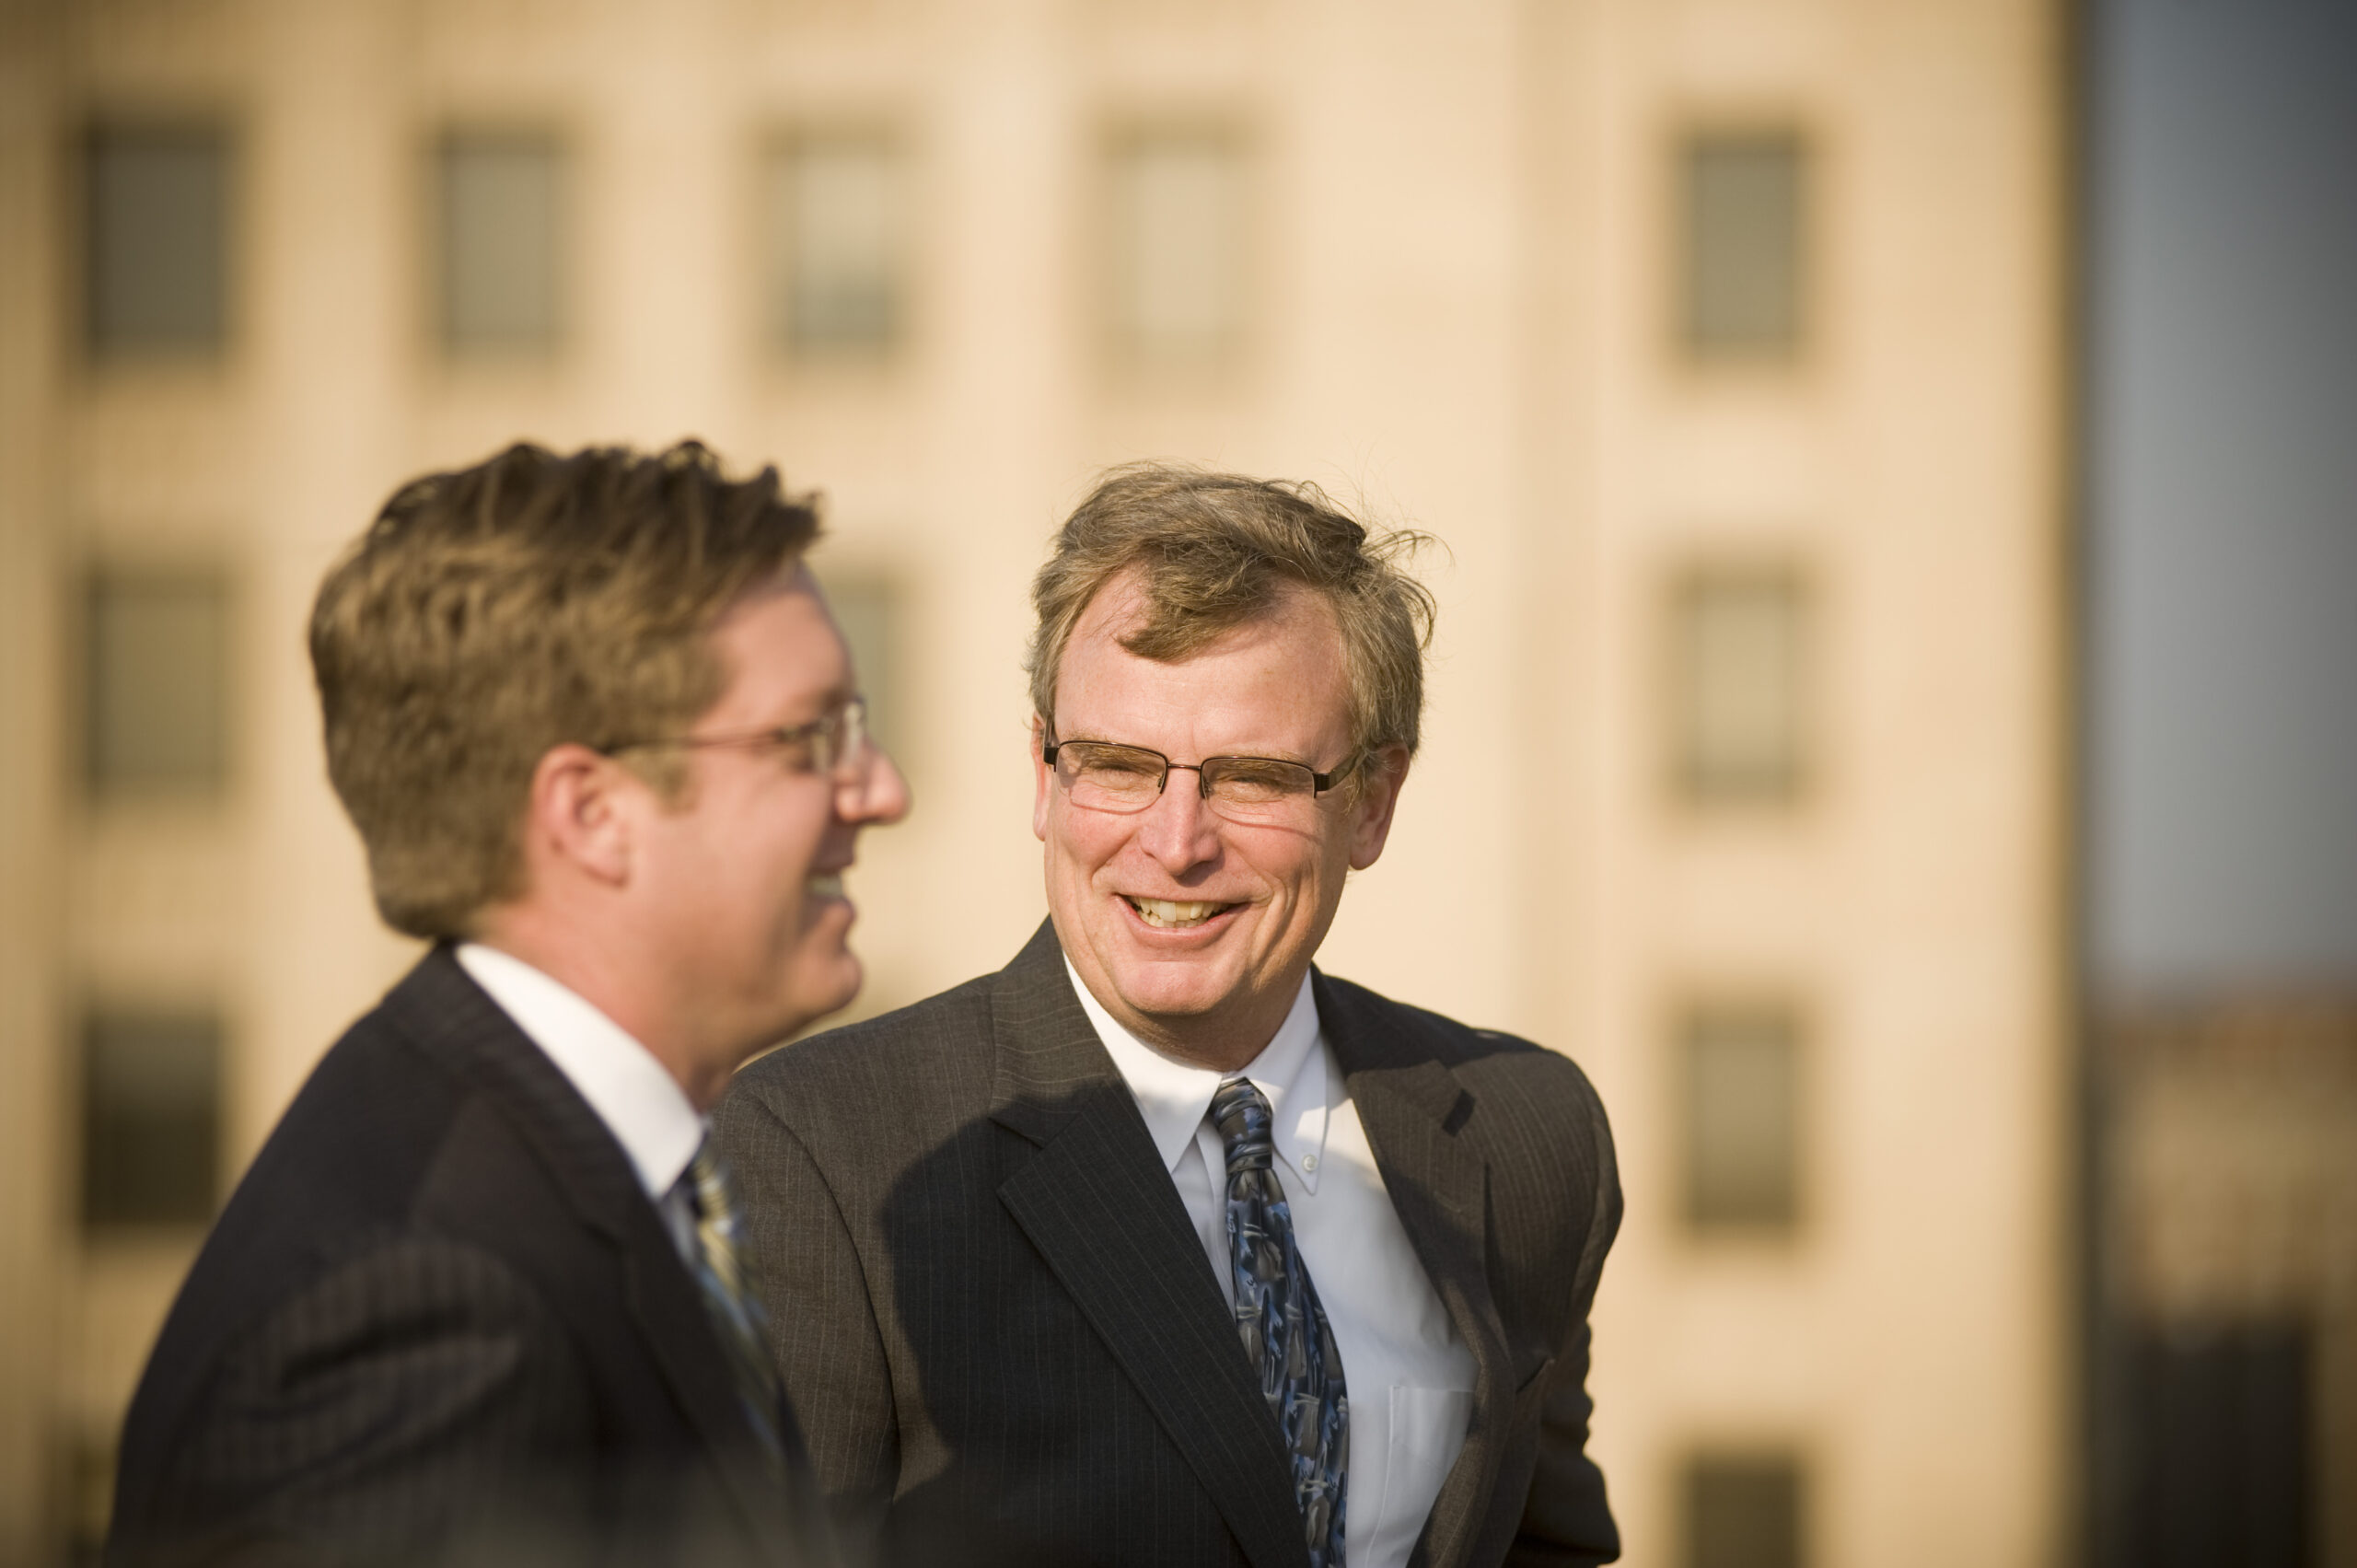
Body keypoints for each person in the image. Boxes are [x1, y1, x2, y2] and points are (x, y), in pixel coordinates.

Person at [714, 465, 1620, 1568]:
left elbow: (1543, 1540)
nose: (1176, 839)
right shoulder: (823, 1152)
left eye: (1251, 775)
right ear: (1043, 773)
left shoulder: (1530, 1135)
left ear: (1373, 799)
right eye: (1117, 764)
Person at [107, 441, 908, 1568]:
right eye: (807, 737)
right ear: (590, 811)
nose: (881, 789)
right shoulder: (425, 1304)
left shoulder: (574, 1174)